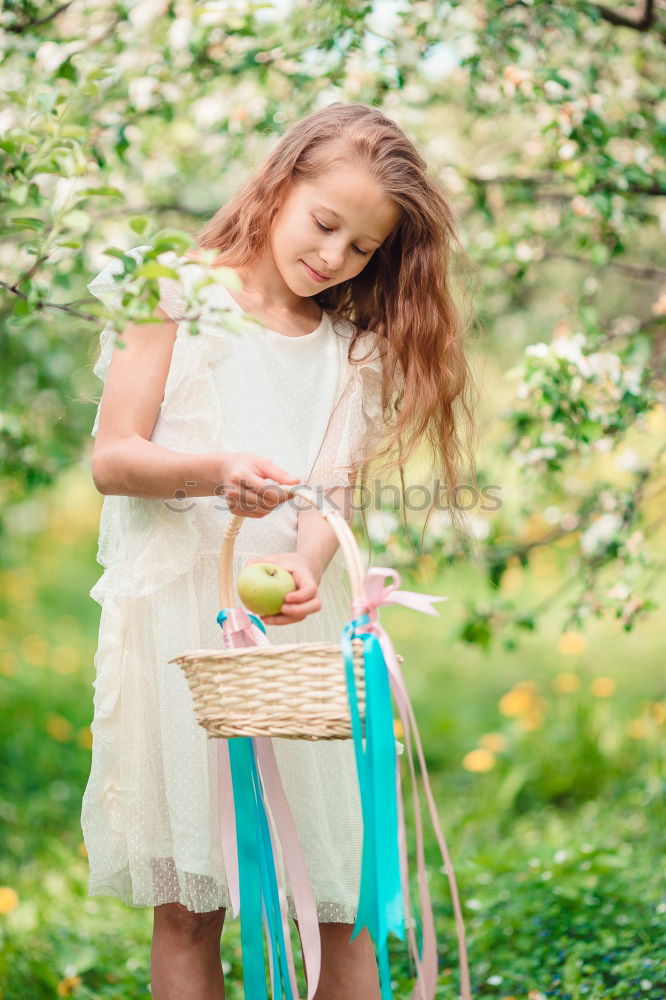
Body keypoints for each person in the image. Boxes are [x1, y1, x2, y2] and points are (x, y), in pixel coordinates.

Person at [81, 101, 477, 1000]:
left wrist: (307, 563)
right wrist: (214, 470)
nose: (334, 258)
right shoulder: (173, 292)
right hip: (187, 623)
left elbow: (329, 489)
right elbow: (114, 458)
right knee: (192, 902)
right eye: (325, 224)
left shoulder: (349, 350)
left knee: (338, 888)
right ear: (279, 182)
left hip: (298, 629)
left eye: (362, 248)